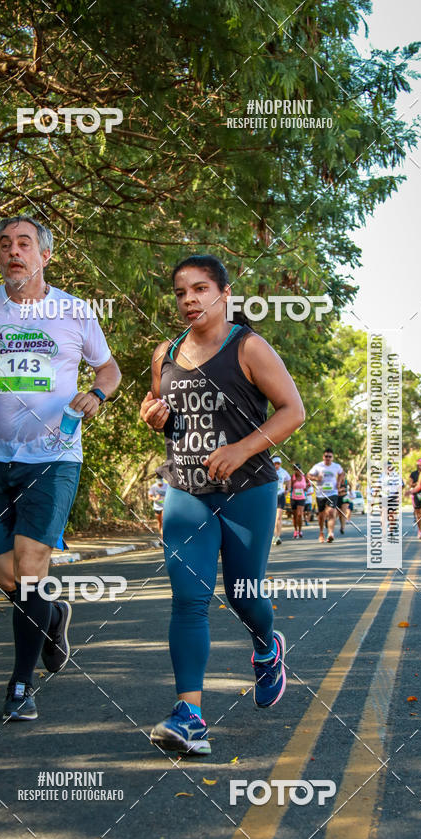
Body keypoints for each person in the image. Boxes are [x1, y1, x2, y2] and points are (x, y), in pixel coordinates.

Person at [0, 215, 121, 721]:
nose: (13, 251)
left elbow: (109, 367)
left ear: (44, 255)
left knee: (31, 564)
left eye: (24, 243)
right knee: (6, 576)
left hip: (54, 453)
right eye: (4, 244)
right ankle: (54, 614)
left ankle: (20, 685)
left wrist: (97, 393)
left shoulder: (73, 310)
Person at [139, 254, 304, 755]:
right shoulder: (165, 352)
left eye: (200, 289)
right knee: (189, 598)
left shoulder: (248, 347)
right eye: (181, 292)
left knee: (242, 594)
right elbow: (157, 407)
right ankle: (190, 715)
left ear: (224, 293)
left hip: (248, 492)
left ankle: (266, 645)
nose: (189, 299)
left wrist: (240, 449)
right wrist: (152, 415)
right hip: (185, 490)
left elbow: (292, 411)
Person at [308, 449, 344, 543]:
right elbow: (308, 475)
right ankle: (321, 533)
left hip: (332, 493)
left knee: (331, 512)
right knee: (321, 515)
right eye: (326, 456)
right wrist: (316, 478)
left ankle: (330, 533)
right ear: (323, 457)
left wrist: (339, 482)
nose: (328, 458)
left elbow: (341, 473)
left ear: (332, 458)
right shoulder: (318, 466)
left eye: (330, 456)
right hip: (320, 494)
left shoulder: (336, 466)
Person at [273, 456, 291, 545]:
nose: (276, 465)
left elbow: (288, 479)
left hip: (280, 496)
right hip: (270, 497)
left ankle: (277, 536)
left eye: (278, 464)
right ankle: (272, 536)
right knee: (271, 518)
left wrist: (288, 489)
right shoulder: (268, 471)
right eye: (275, 463)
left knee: (278, 517)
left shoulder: (283, 472)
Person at [407, 461, 421, 538]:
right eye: (418, 465)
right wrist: (418, 484)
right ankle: (420, 530)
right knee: (418, 513)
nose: (419, 466)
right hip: (416, 494)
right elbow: (410, 484)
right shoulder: (413, 474)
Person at [289, 464, 307, 538]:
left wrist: (307, 488)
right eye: (296, 469)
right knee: (295, 516)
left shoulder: (304, 477)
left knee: (300, 515)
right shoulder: (292, 477)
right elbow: (290, 486)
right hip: (293, 498)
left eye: (298, 469)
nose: (297, 471)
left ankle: (300, 530)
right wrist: (293, 481)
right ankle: (295, 530)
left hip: (301, 498)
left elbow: (308, 484)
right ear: (294, 470)